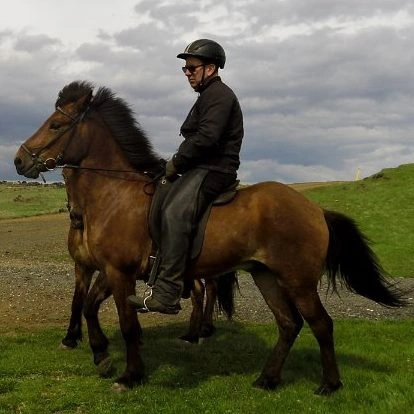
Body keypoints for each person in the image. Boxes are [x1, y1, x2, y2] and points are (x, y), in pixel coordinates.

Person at [127, 39, 244, 314]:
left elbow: (207, 138)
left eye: (192, 68)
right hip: (200, 167)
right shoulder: (208, 96)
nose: (187, 73)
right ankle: (159, 271)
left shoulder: (220, 95)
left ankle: (169, 291)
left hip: (215, 169)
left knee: (174, 213)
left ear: (210, 68)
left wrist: (177, 162)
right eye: (185, 69)